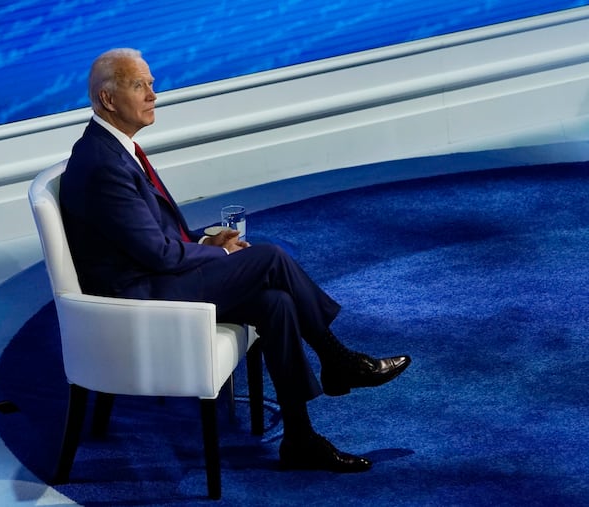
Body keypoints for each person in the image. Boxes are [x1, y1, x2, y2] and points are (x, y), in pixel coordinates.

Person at [59, 48, 411, 473]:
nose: (154, 94)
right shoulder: (102, 164)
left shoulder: (115, 150)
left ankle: (300, 438)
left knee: (276, 304)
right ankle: (339, 360)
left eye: (152, 83)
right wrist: (217, 251)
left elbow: (151, 236)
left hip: (153, 277)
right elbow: (155, 253)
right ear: (107, 99)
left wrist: (204, 238)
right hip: (140, 297)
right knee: (270, 258)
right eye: (140, 86)